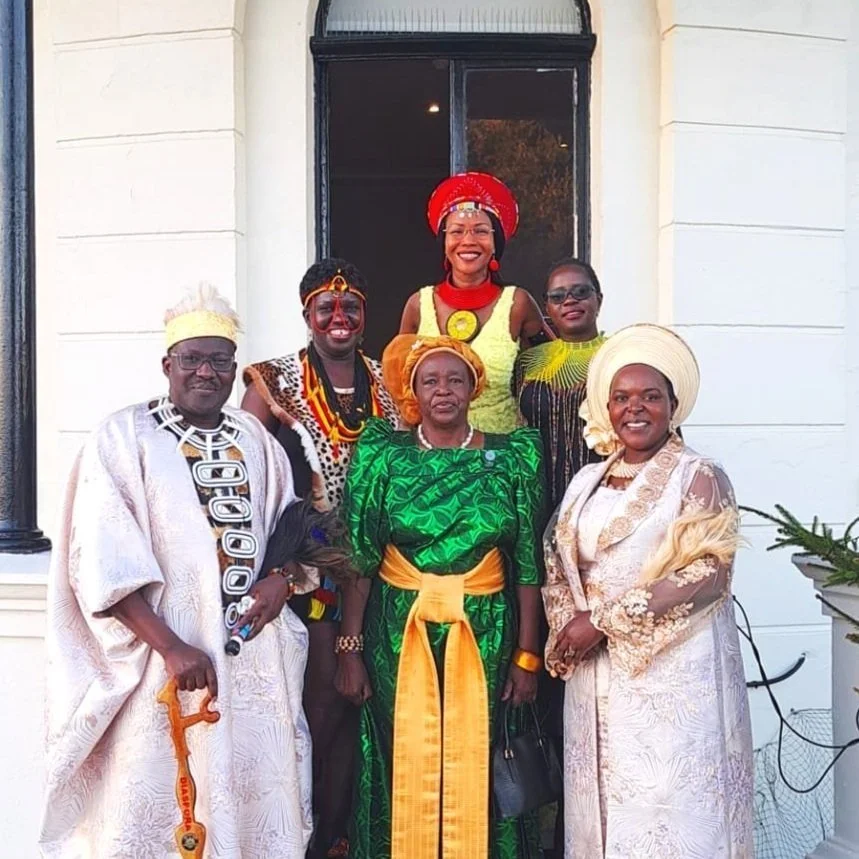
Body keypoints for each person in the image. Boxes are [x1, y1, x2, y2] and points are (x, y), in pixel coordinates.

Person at [40, 285, 322, 858]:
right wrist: (172, 648)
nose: (206, 372)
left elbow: (293, 536)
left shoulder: (257, 439)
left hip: (253, 673)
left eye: (220, 360)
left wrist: (282, 581)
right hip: (161, 669)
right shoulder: (122, 438)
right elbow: (103, 563)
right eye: (192, 358)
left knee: (252, 809)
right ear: (167, 364)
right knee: (158, 811)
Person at [542, 324, 753, 858]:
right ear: (607, 408)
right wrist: (569, 624)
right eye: (622, 398)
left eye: (650, 397)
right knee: (601, 810)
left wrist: (604, 622)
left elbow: (709, 574)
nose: (635, 409)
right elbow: (557, 558)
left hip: (673, 675)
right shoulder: (585, 480)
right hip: (593, 676)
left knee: (667, 807)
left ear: (673, 405)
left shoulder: (698, 475)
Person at [336, 334, 546, 859]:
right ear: (412, 390)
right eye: (430, 380)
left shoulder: (515, 455)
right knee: (404, 750)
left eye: (456, 379)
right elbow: (361, 559)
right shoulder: (383, 457)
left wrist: (526, 653)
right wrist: (351, 651)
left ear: (475, 386)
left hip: (488, 631)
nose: (444, 390)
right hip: (395, 630)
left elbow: (527, 565)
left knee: (479, 747)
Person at [241, 259, 398, 859]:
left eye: (351, 307)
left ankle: (348, 835)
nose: (339, 318)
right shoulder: (270, 381)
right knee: (320, 704)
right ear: (306, 314)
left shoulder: (389, 381)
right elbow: (247, 467)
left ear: (365, 315)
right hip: (305, 567)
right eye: (325, 308)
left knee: (367, 705)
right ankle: (304, 836)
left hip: (381, 570)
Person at [399, 171, 548, 434]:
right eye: (457, 231)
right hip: (431, 464)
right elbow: (401, 389)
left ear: (495, 244)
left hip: (498, 459)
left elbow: (551, 377)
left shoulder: (518, 304)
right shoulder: (417, 305)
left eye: (480, 231)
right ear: (444, 242)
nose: (468, 241)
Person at [515, 257, 607, 511]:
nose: (569, 301)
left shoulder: (621, 356)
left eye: (580, 292)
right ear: (547, 306)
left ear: (599, 299)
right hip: (536, 498)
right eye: (558, 296)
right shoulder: (527, 362)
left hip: (604, 497)